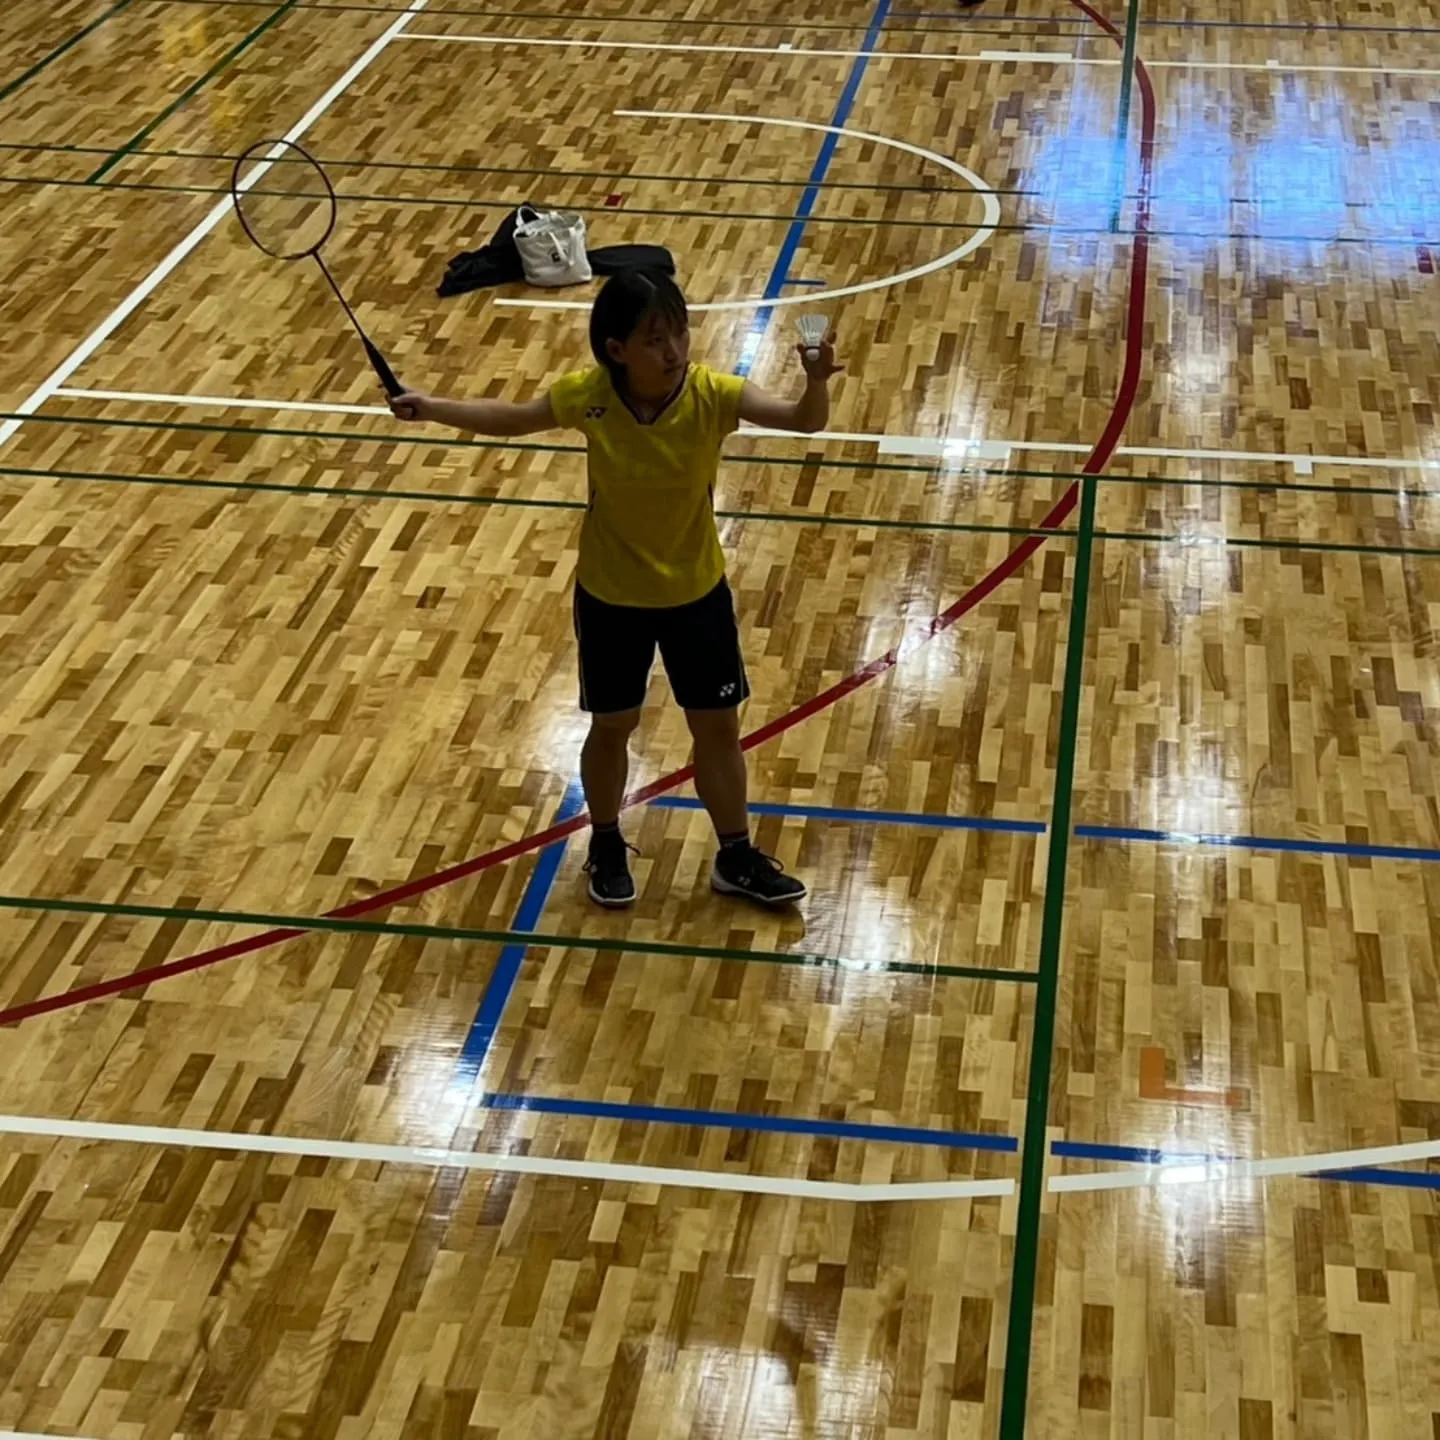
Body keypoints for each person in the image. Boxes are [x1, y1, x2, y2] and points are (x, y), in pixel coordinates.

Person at [389, 268, 843, 909]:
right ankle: (605, 840)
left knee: (717, 729)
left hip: (695, 593)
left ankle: (735, 854)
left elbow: (803, 420)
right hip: (611, 596)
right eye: (655, 340)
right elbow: (514, 419)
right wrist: (430, 406)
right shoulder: (589, 397)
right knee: (613, 726)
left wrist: (817, 381)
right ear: (616, 350)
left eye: (679, 334)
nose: (674, 351)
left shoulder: (714, 394)